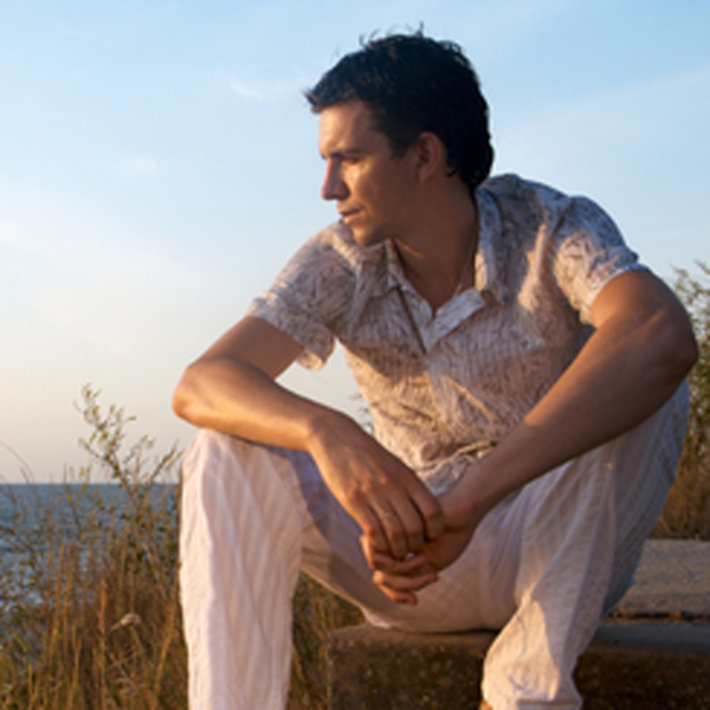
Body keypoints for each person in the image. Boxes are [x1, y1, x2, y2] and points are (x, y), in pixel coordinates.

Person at [172, 32, 697, 710]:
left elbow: (659, 332)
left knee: (648, 377)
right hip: (413, 565)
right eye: (327, 162)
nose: (329, 188)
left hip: (552, 554)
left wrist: (471, 500)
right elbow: (203, 382)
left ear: (425, 155)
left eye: (349, 159)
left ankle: (524, 695)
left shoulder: (551, 225)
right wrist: (328, 433)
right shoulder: (340, 259)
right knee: (224, 447)